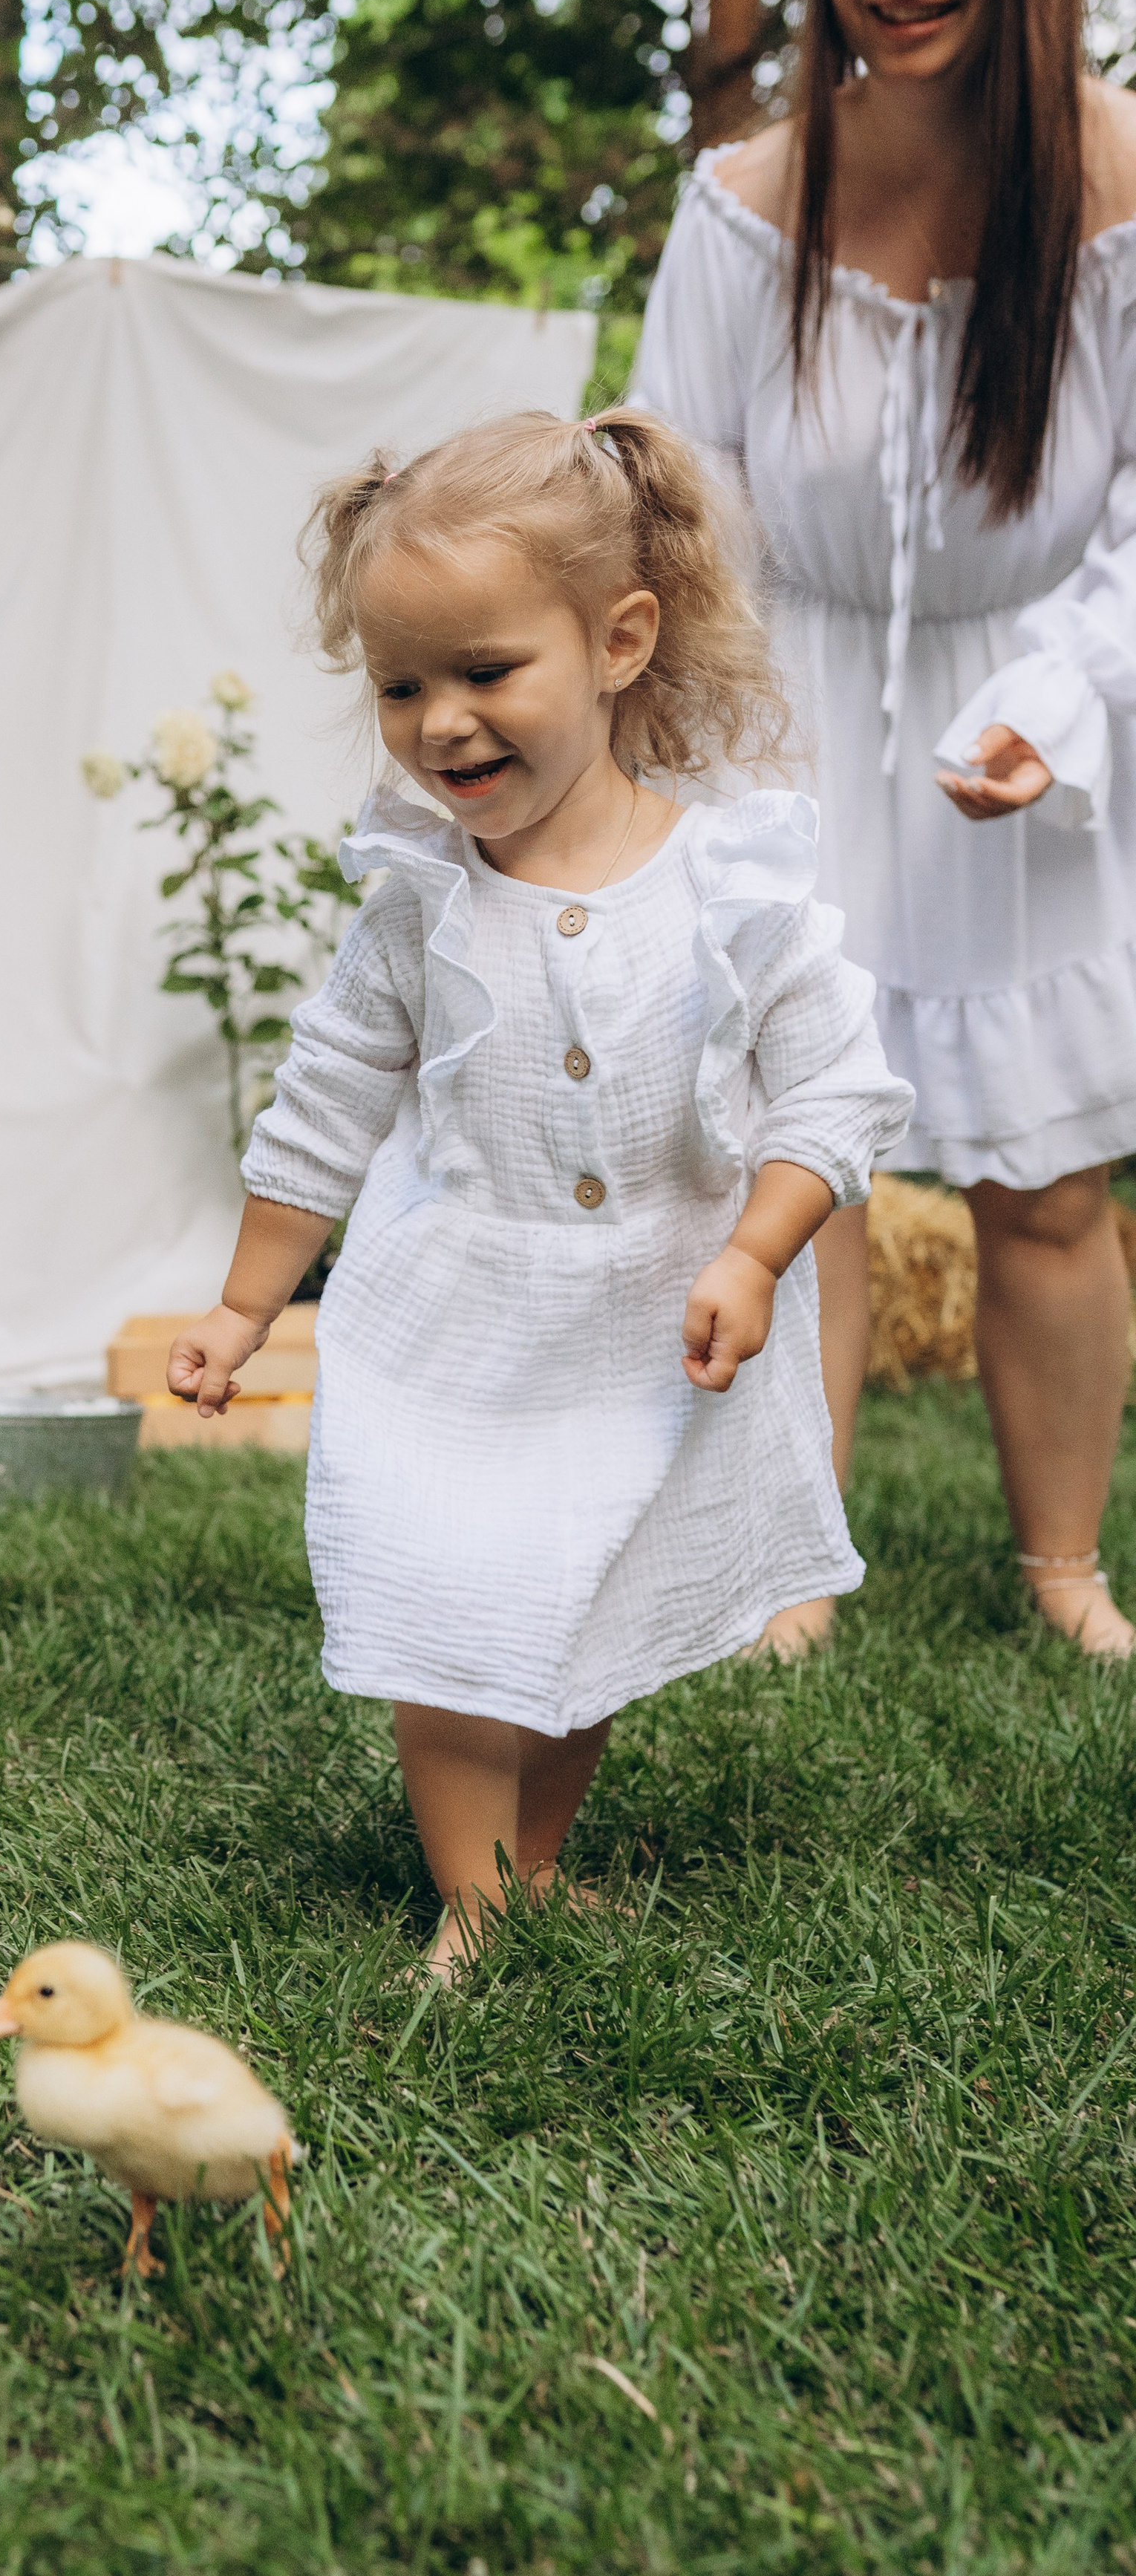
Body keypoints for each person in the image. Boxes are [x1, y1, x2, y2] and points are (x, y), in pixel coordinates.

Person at [166, 411, 913, 1980]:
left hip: (647, 1325)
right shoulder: (413, 907)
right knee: (446, 1610)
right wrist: (246, 1304)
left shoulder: (735, 888)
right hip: (453, 1321)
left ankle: (529, 1865)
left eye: (483, 672)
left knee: (579, 1615)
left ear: (617, 639)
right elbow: (320, 1106)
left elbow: (838, 1089)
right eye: (397, 685)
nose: (440, 722)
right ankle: (473, 1901)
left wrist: (760, 1249)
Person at [634, 0, 1136, 1660]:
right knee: (802, 1166)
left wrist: (1068, 705)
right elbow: (688, 499)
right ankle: (791, 1570)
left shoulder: (1119, 183)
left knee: (1049, 1184)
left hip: (1047, 718)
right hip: (795, 721)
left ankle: (1064, 1571)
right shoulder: (747, 199)